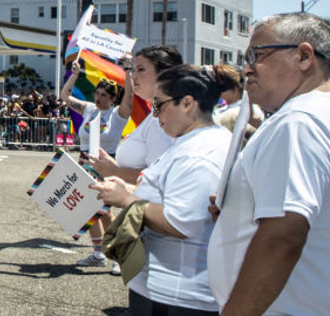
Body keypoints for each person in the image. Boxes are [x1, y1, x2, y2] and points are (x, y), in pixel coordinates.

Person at [207, 13, 330, 315]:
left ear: (304, 56)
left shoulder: (300, 121)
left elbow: (283, 236)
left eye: (257, 55)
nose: (247, 69)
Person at [93, 65, 232, 315]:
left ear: (187, 103)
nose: (155, 116)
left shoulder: (199, 154)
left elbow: (179, 222)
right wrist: (129, 189)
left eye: (159, 105)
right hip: (168, 289)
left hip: (177, 296)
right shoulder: (199, 141)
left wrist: (126, 199)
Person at [59, 59, 127, 268]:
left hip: (105, 164)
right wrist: (74, 75)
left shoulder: (117, 115)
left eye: (103, 95)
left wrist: (128, 73)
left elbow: (130, 101)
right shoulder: (89, 109)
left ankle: (117, 255)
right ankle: (98, 254)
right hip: (84, 161)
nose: (98, 98)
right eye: (97, 93)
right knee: (87, 209)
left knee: (106, 211)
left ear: (113, 98)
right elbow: (64, 97)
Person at [89, 46, 182, 185]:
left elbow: (160, 177)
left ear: (164, 74)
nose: (133, 75)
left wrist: (115, 171)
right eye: (133, 70)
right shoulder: (156, 114)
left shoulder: (165, 120)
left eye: (141, 70)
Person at [211, 64, 263, 136]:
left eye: (222, 87)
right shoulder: (220, 109)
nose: (218, 91)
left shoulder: (248, 111)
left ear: (236, 88)